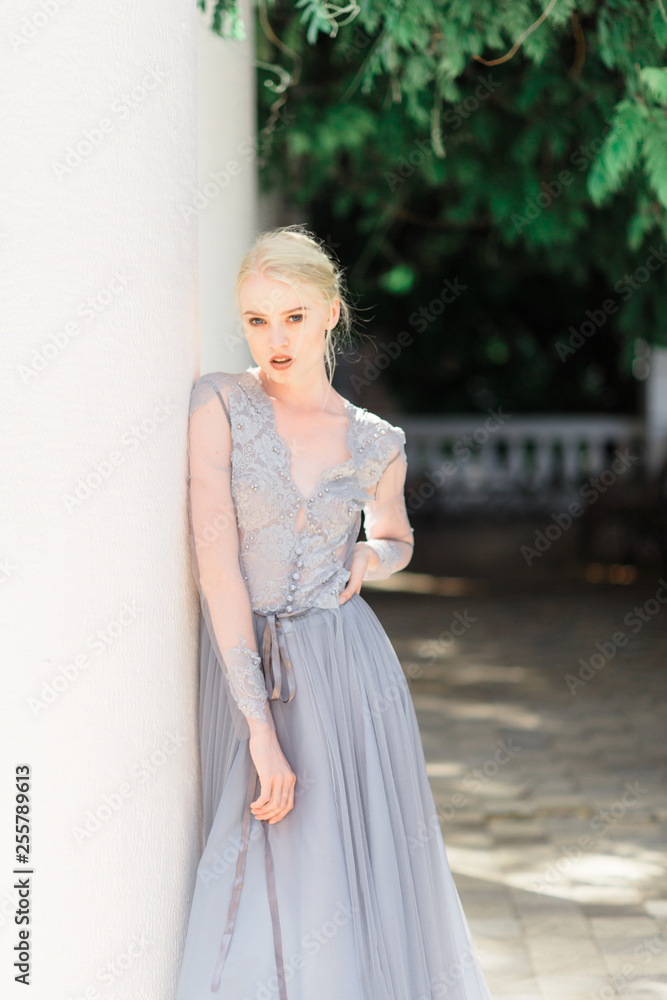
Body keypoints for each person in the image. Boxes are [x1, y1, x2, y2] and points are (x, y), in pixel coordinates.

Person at [176, 226, 493, 1000]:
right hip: (245, 666)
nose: (274, 338)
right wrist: (259, 728)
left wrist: (369, 557)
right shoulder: (217, 403)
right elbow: (217, 571)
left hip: (347, 675)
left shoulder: (377, 442)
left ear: (330, 313)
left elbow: (395, 537)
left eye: (291, 317)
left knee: (338, 884)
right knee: (248, 872)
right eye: (256, 319)